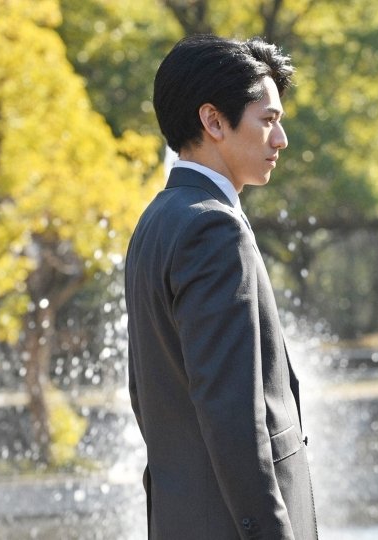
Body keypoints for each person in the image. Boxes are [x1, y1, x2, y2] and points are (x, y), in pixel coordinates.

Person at [125, 35, 317, 539]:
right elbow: (234, 415)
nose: (281, 139)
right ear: (213, 121)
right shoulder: (214, 228)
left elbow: (145, 395)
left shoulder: (156, 221)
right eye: (268, 120)